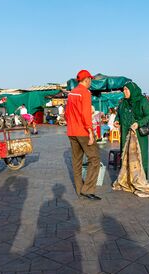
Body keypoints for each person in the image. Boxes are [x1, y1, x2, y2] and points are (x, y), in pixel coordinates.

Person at [65, 70, 101, 201]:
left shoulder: (72, 93)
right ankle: (88, 189)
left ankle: (80, 189)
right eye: (90, 80)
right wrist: (90, 132)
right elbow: (86, 114)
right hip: (83, 132)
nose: (91, 82)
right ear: (87, 80)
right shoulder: (85, 93)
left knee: (76, 162)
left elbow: (67, 114)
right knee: (95, 158)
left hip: (71, 131)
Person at [114, 81, 149, 178]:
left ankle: (141, 178)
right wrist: (117, 120)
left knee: (139, 156)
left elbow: (148, 116)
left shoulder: (142, 101)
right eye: (124, 90)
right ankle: (127, 179)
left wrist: (138, 123)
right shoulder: (123, 102)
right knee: (125, 155)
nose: (124, 92)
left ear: (132, 90)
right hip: (125, 133)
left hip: (138, 135)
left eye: (127, 90)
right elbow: (118, 114)